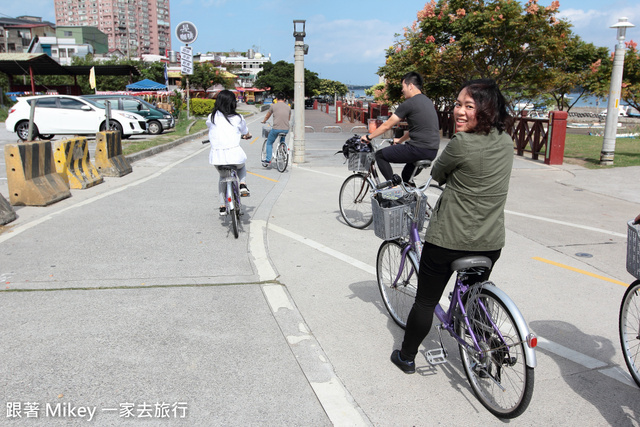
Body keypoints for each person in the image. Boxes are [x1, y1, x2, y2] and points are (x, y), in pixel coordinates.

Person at [390, 79, 514, 374]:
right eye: (458, 104)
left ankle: (406, 357)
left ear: (485, 110)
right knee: (473, 295)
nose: (459, 111)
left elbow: (439, 173)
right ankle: (484, 352)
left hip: (449, 240)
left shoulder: (461, 143)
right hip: (490, 241)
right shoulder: (506, 140)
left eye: (468, 106)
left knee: (425, 301)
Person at [360, 72, 440, 184]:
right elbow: (416, 129)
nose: (402, 90)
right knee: (406, 176)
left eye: (403, 87)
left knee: (380, 155)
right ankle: (413, 199)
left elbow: (387, 125)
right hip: (431, 151)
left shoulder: (410, 103)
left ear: (410, 86)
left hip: (418, 149)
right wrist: (400, 140)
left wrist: (369, 136)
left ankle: (393, 190)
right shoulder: (427, 101)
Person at [206, 90, 252, 216]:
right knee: (241, 167)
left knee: (223, 177)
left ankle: (222, 205)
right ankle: (242, 184)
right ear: (233, 103)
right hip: (234, 155)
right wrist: (247, 135)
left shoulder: (212, 117)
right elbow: (245, 131)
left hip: (217, 157)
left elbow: (212, 129)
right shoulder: (238, 118)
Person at [261, 92, 291, 167]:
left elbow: (268, 115)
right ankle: (283, 149)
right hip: (286, 129)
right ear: (284, 99)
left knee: (269, 142)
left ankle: (268, 159)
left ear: (276, 99)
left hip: (276, 128)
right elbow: (289, 118)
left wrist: (264, 121)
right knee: (282, 138)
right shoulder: (288, 107)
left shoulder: (273, 106)